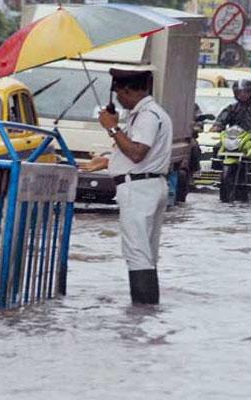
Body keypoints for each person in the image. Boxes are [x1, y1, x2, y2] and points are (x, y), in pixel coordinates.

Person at [80, 69, 172, 305]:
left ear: (128, 90)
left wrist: (112, 128)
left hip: (139, 189)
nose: (118, 99)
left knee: (137, 254)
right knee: (147, 254)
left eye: (119, 93)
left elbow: (137, 153)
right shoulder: (147, 113)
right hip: (148, 185)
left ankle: (141, 313)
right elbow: (138, 154)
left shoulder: (147, 116)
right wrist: (107, 160)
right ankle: (149, 313)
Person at [210, 79, 251, 175]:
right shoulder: (231, 108)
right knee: (217, 147)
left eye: (246, 92)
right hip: (234, 139)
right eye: (239, 92)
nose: (242, 94)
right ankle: (217, 172)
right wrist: (217, 126)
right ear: (235, 93)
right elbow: (222, 119)